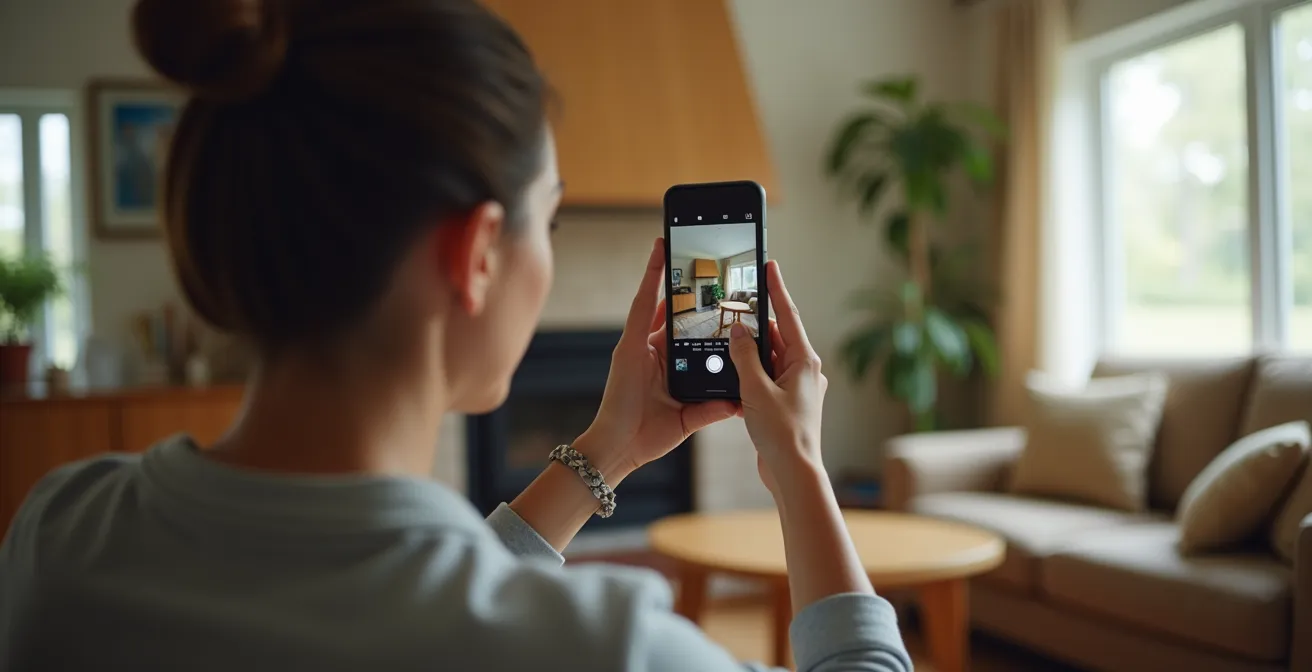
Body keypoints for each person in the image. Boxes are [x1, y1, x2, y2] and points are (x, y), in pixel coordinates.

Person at [0, 1, 912, 670]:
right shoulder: (607, 650)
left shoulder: (59, 531)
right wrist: (796, 464)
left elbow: (403, 591)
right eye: (545, 222)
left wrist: (608, 449)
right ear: (477, 252)